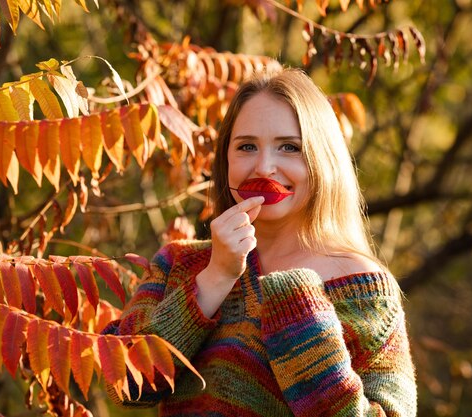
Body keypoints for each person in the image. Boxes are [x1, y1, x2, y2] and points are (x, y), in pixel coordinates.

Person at [103, 67, 417, 416]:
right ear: (225, 159)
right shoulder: (178, 265)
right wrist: (215, 277)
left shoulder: (364, 289)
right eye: (247, 146)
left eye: (289, 147)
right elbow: (127, 384)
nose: (264, 167)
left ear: (323, 160)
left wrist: (300, 313)